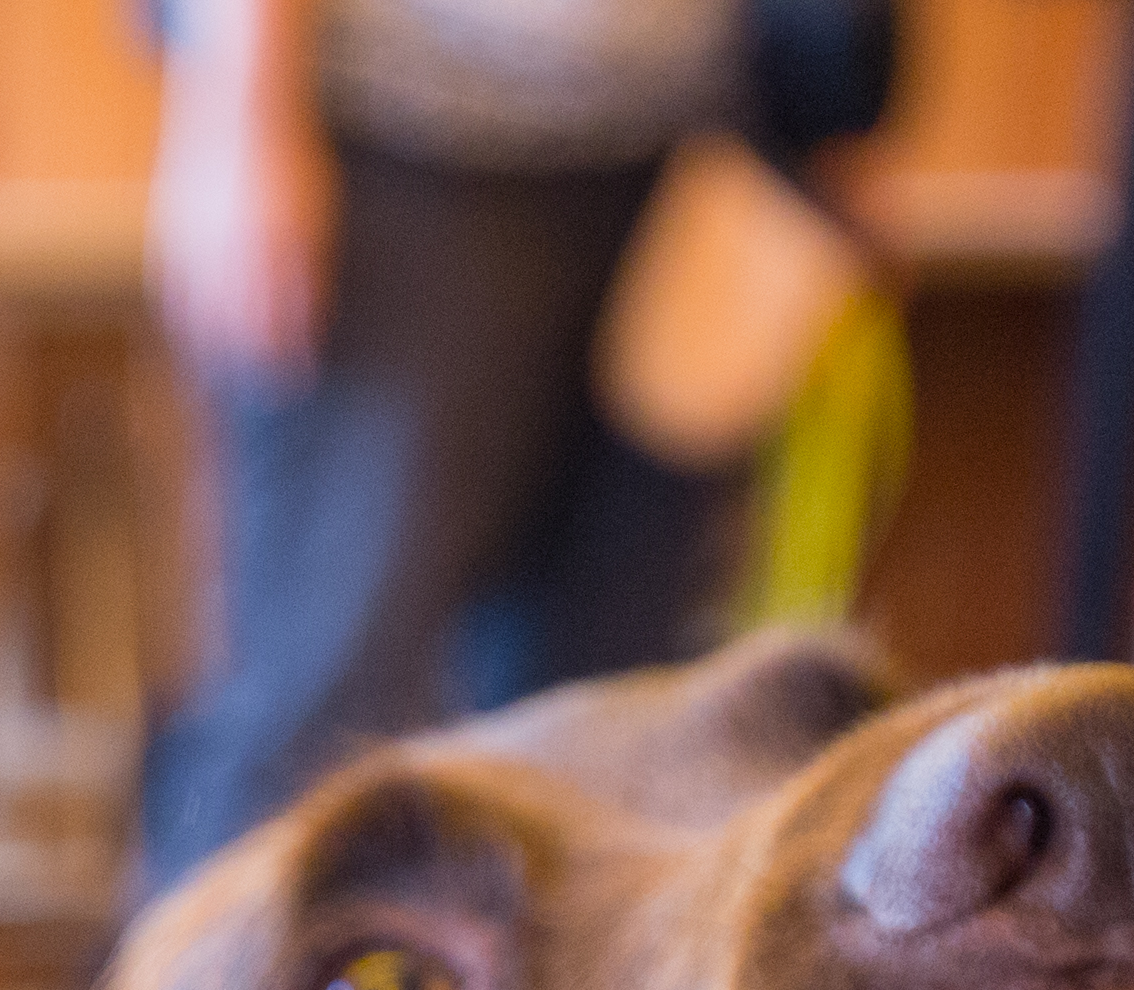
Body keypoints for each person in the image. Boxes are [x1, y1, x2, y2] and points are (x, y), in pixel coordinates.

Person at [140, 0, 848, 886]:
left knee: (613, 738)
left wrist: (847, 106)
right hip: (402, 138)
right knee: (317, 726)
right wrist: (243, 106)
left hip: (702, 139)